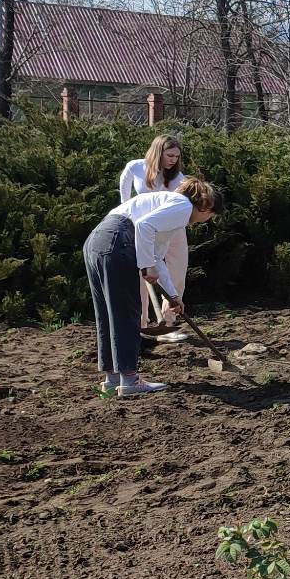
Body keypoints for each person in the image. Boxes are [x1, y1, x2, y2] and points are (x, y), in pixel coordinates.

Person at [84, 176, 220, 395]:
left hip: (97, 241)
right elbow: (143, 227)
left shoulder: (167, 206)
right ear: (207, 209)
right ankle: (129, 381)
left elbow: (157, 257)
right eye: (210, 218)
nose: (205, 221)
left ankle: (111, 379)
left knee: (108, 314)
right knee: (127, 313)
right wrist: (146, 266)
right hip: (118, 240)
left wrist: (174, 297)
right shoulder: (182, 206)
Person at [119, 135, 189, 336]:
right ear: (158, 152)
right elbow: (124, 191)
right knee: (143, 273)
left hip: (171, 229)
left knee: (176, 270)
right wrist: (127, 214)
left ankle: (169, 321)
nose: (173, 160)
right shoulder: (135, 167)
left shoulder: (178, 178)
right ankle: (141, 324)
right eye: (170, 155)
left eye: (177, 156)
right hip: (141, 228)